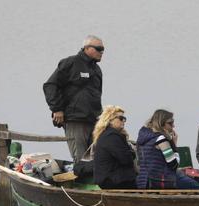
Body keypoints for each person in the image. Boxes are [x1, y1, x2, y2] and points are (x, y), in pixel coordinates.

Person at [43, 35, 105, 165]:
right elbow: (50, 85)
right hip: (75, 120)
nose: (102, 52)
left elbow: (96, 95)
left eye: (103, 49)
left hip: (94, 120)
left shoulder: (97, 70)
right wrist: (57, 109)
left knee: (97, 156)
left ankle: (97, 183)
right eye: (99, 49)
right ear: (87, 48)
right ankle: (78, 183)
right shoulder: (70, 63)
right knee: (81, 158)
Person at [136, 109, 199, 189]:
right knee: (197, 184)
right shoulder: (160, 139)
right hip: (163, 178)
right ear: (161, 123)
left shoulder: (144, 138)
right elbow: (174, 164)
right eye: (170, 123)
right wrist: (174, 144)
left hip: (148, 179)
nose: (173, 126)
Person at [91, 105, 136, 189]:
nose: (124, 121)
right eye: (121, 118)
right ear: (110, 120)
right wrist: (132, 153)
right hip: (114, 180)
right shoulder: (111, 136)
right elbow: (126, 159)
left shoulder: (107, 134)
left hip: (110, 178)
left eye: (124, 119)